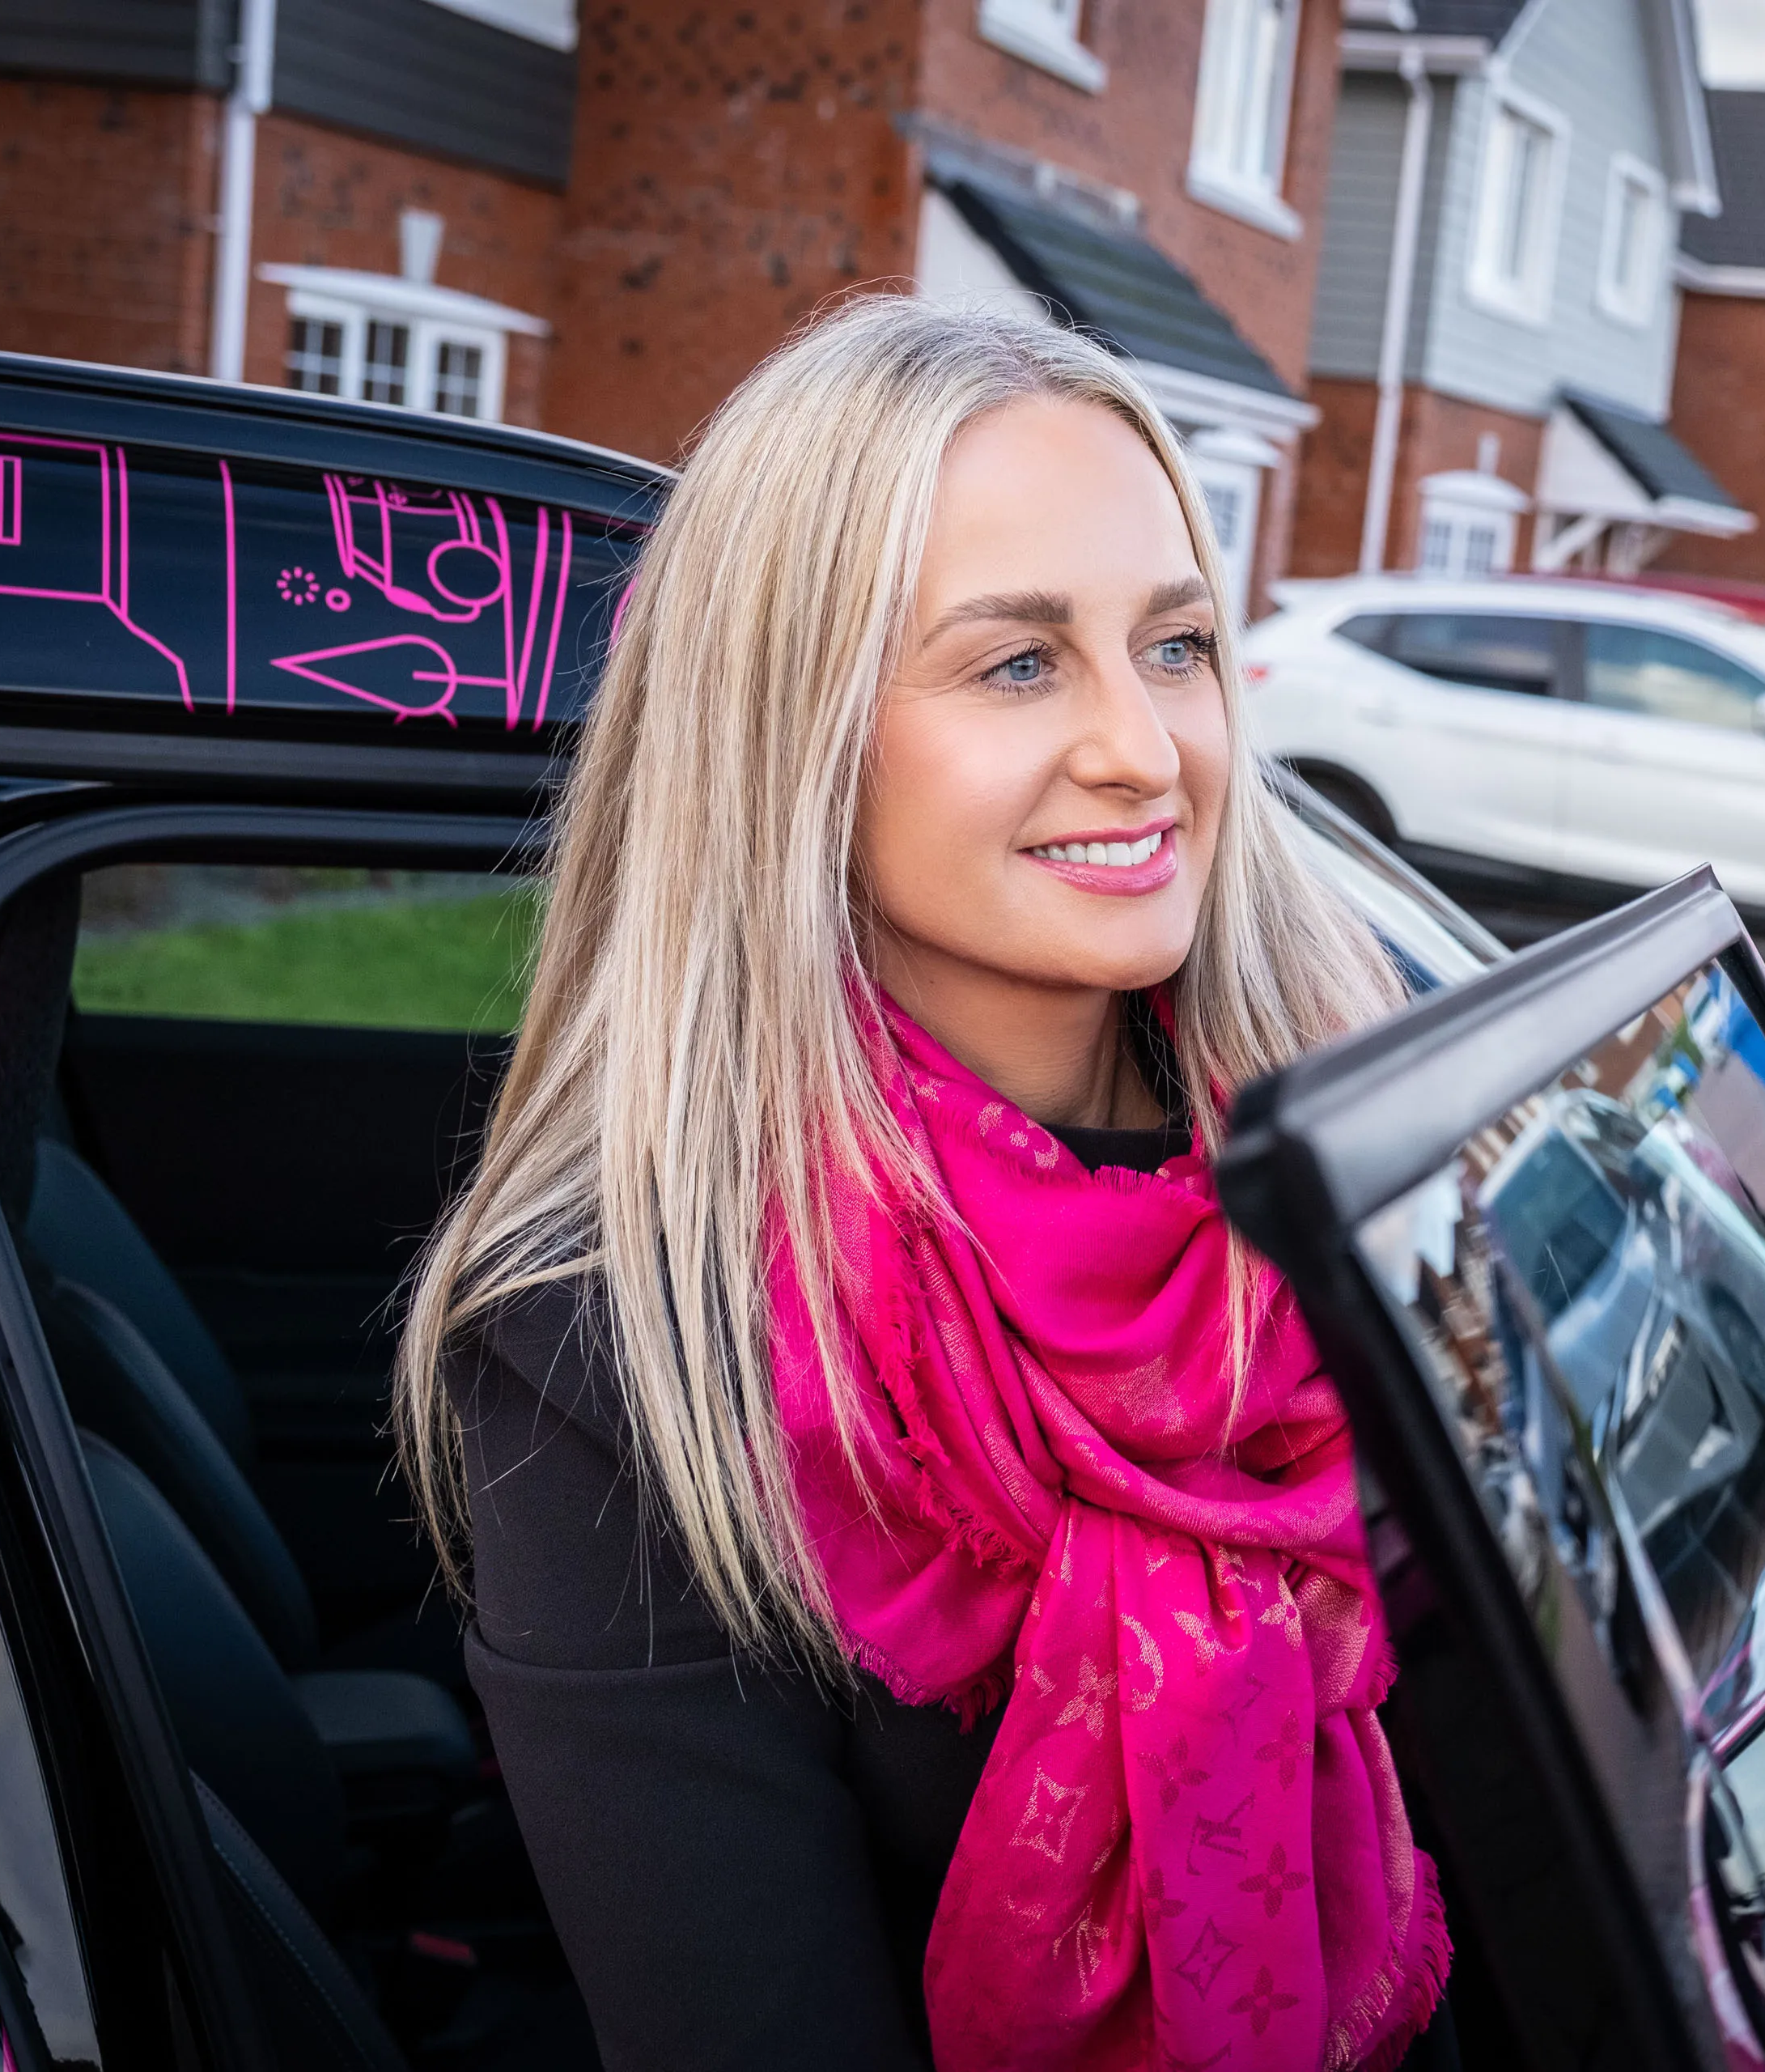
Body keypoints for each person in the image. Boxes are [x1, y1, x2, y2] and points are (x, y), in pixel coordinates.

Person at [392, 299, 1454, 2070]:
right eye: (1019, 662)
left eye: (1177, 642)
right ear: (788, 727)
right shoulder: (614, 1342)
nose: (1145, 747)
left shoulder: (1384, 1172)